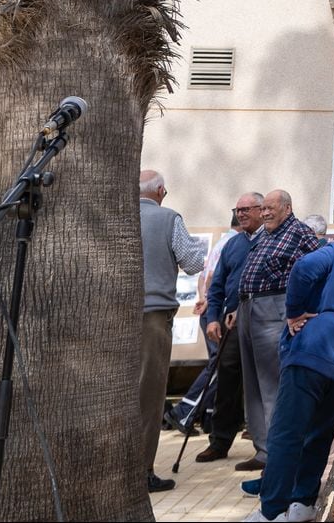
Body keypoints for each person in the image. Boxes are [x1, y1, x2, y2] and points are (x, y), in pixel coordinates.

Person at [244, 203, 334, 523]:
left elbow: (302, 268)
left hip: (313, 352)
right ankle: (302, 503)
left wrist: (295, 311)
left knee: (286, 433)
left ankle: (271, 512)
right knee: (319, 434)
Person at [236, 189, 319, 473]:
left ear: (287, 207)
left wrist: (300, 309)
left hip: (274, 310)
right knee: (253, 385)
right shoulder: (267, 234)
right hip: (248, 309)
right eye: (264, 208)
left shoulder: (300, 232)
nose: (266, 212)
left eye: (271, 208)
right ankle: (263, 450)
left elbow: (317, 269)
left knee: (272, 384)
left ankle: (280, 454)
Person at [139, 169, 206, 494]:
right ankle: (142, 472)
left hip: (112, 318)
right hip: (152, 316)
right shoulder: (167, 218)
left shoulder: (116, 214)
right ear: (161, 191)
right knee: (149, 395)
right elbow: (193, 262)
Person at [189, 191, 263, 462]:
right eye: (238, 210)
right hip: (230, 323)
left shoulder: (270, 241)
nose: (241, 214)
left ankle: (264, 445)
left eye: (247, 209)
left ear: (261, 210)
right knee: (227, 381)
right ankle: (220, 441)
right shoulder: (232, 246)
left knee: (261, 382)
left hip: (262, 322)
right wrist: (212, 320)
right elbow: (216, 285)